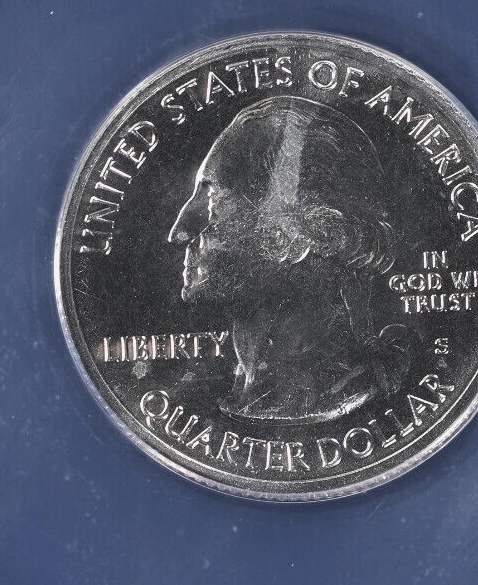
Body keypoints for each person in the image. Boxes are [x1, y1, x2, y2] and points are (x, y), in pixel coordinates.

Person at [168, 96, 410, 421]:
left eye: (212, 203)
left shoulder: (333, 390)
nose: (178, 232)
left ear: (293, 236)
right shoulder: (237, 390)